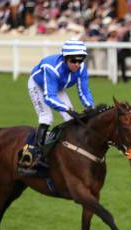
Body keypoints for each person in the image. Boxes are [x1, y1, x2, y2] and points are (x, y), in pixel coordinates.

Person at [22, 39, 94, 170]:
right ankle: (35, 154)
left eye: (80, 60)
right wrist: (67, 108)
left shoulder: (82, 68)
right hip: (37, 85)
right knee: (46, 117)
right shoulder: (52, 68)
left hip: (57, 87)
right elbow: (49, 97)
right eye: (73, 61)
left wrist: (90, 107)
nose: (77, 65)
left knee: (71, 119)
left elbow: (84, 91)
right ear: (65, 58)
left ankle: (69, 153)